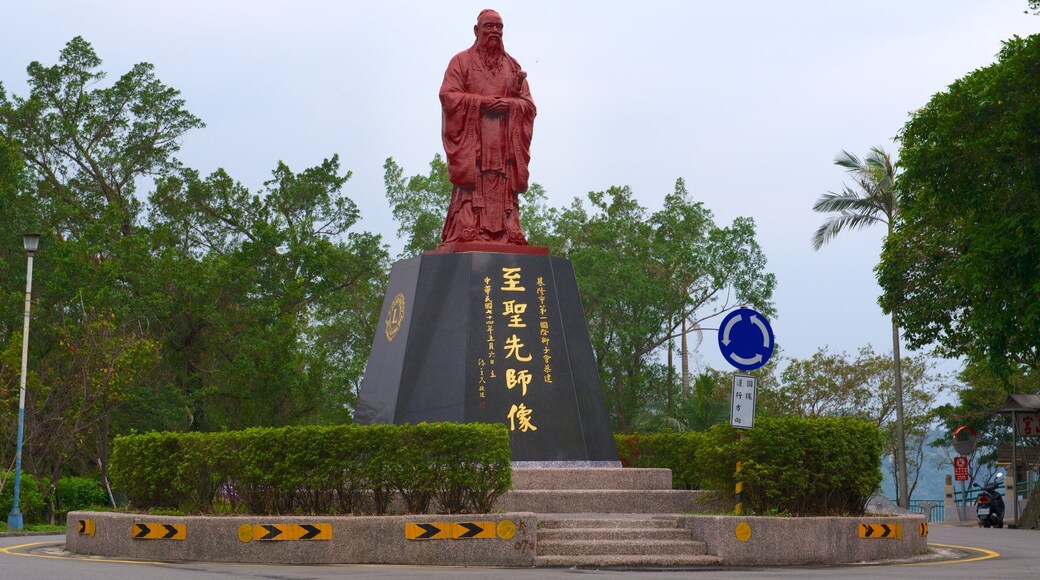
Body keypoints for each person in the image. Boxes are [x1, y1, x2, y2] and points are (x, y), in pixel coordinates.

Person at [439, 9, 536, 246]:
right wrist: (480, 103)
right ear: (476, 30)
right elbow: (448, 95)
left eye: (499, 27)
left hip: (504, 145)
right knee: (473, 186)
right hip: (475, 144)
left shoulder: (512, 66)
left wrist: (509, 104)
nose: (495, 31)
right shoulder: (461, 61)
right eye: (489, 26)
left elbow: (528, 105)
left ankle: (509, 229)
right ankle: (469, 226)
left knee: (504, 187)